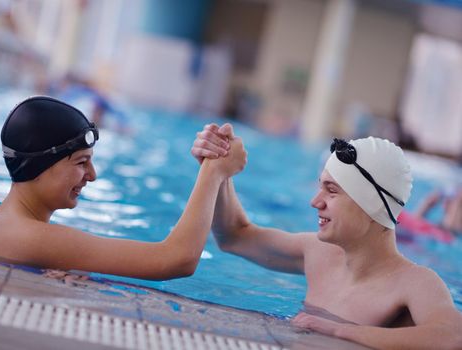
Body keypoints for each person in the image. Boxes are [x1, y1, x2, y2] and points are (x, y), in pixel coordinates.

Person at [191, 123, 462, 349]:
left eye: (331, 191)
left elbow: (453, 335)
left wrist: (341, 332)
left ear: (372, 205)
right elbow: (235, 236)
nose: (315, 201)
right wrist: (218, 170)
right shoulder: (317, 252)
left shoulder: (415, 282)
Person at [0, 97, 247, 280]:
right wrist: (214, 171)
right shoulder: (30, 236)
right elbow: (176, 259)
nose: (92, 176)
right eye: (82, 162)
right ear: (41, 165)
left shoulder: (2, 225)